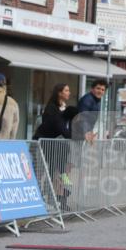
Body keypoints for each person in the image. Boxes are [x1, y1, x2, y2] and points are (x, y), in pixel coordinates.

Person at [33, 83, 78, 211]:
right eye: (66, 90)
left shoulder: (63, 108)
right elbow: (61, 129)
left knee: (56, 173)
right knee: (44, 172)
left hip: (58, 146)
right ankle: (42, 198)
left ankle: (56, 198)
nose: (69, 93)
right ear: (59, 92)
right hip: (45, 145)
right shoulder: (52, 108)